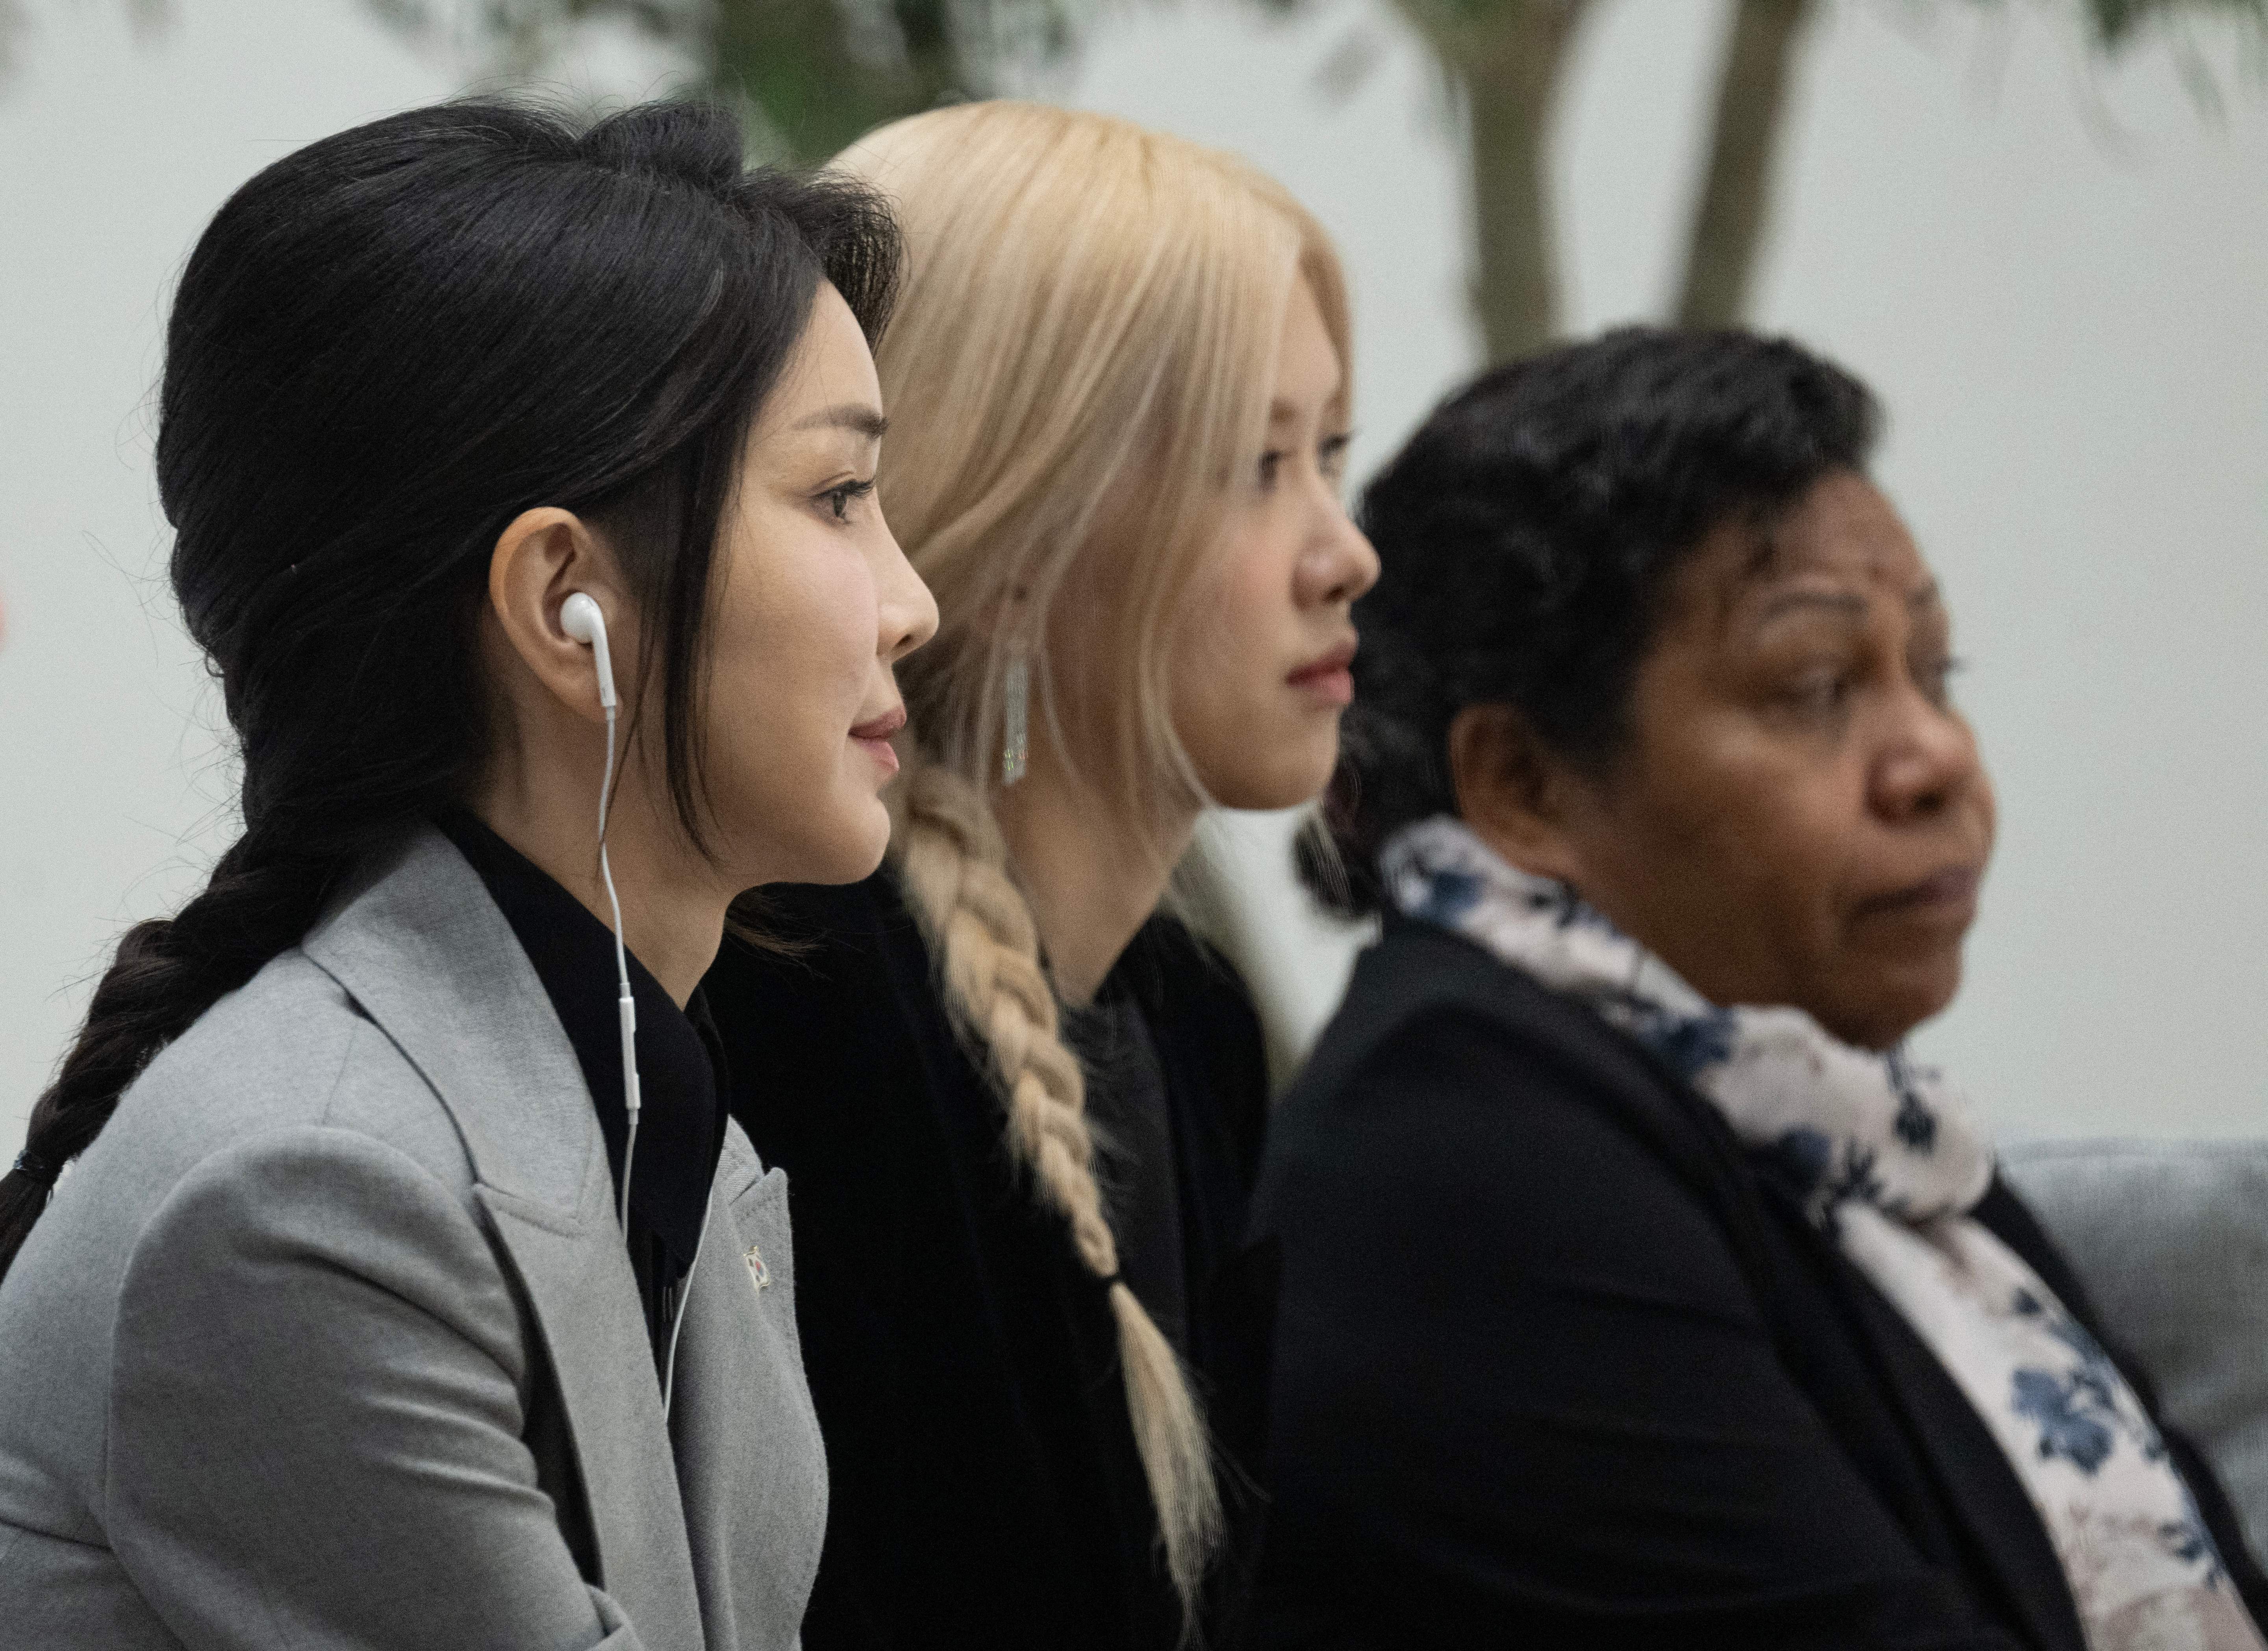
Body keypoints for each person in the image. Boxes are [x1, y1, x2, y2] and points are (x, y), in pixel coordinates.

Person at [0, 99, 934, 1650]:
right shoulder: (307, 1192)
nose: (912, 601)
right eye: (841, 496)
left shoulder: (633, 1101)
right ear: (564, 599)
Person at [1253, 328, 2268, 1651]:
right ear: (1523, 786)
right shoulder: (1461, 1153)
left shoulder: (1830, 1130)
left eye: (1937, 674)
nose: (1936, 760)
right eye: (1813, 687)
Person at [700, 101, 1379, 1651]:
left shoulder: (1183, 1022)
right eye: (1259, 465)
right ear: (1012, 530)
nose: (1347, 551)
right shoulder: (805, 1003)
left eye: (1332, 453)